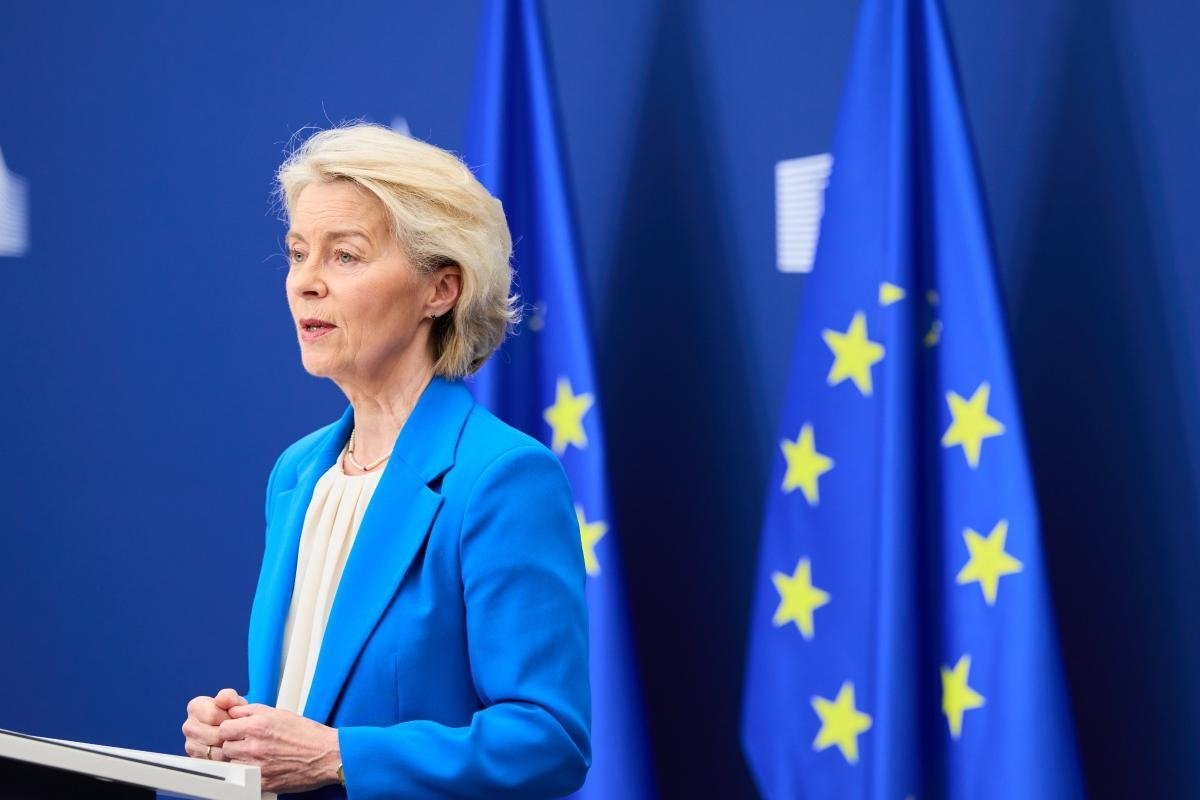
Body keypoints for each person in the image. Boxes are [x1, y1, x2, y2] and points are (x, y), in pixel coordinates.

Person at [179, 123, 591, 799]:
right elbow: (316, 699)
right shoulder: (297, 474)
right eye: (297, 253)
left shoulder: (501, 479)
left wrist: (338, 755)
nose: (305, 283)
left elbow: (548, 740)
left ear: (441, 289)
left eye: (345, 256)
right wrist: (240, 734)